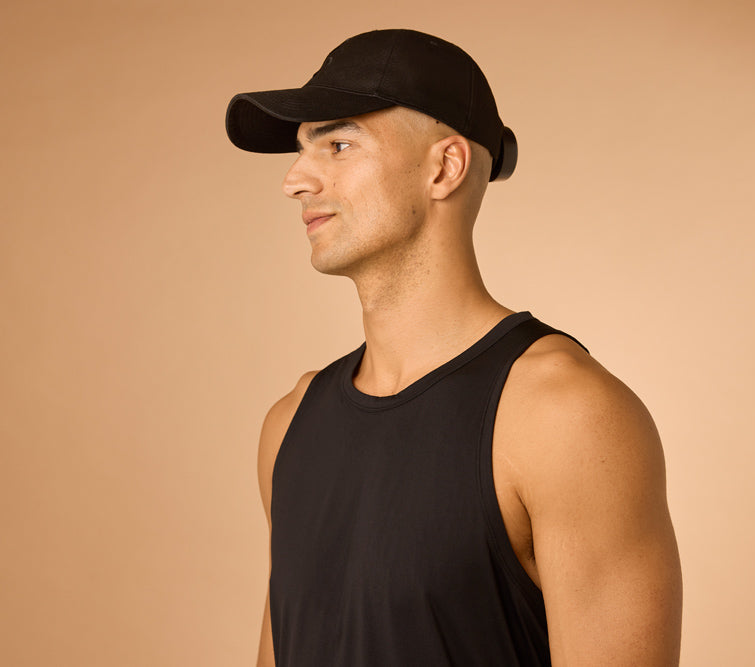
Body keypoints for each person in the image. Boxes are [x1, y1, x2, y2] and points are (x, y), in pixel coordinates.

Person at [226, 29, 682, 666]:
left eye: (338, 143)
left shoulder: (565, 417)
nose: (296, 180)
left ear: (444, 167)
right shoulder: (290, 425)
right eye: (302, 151)